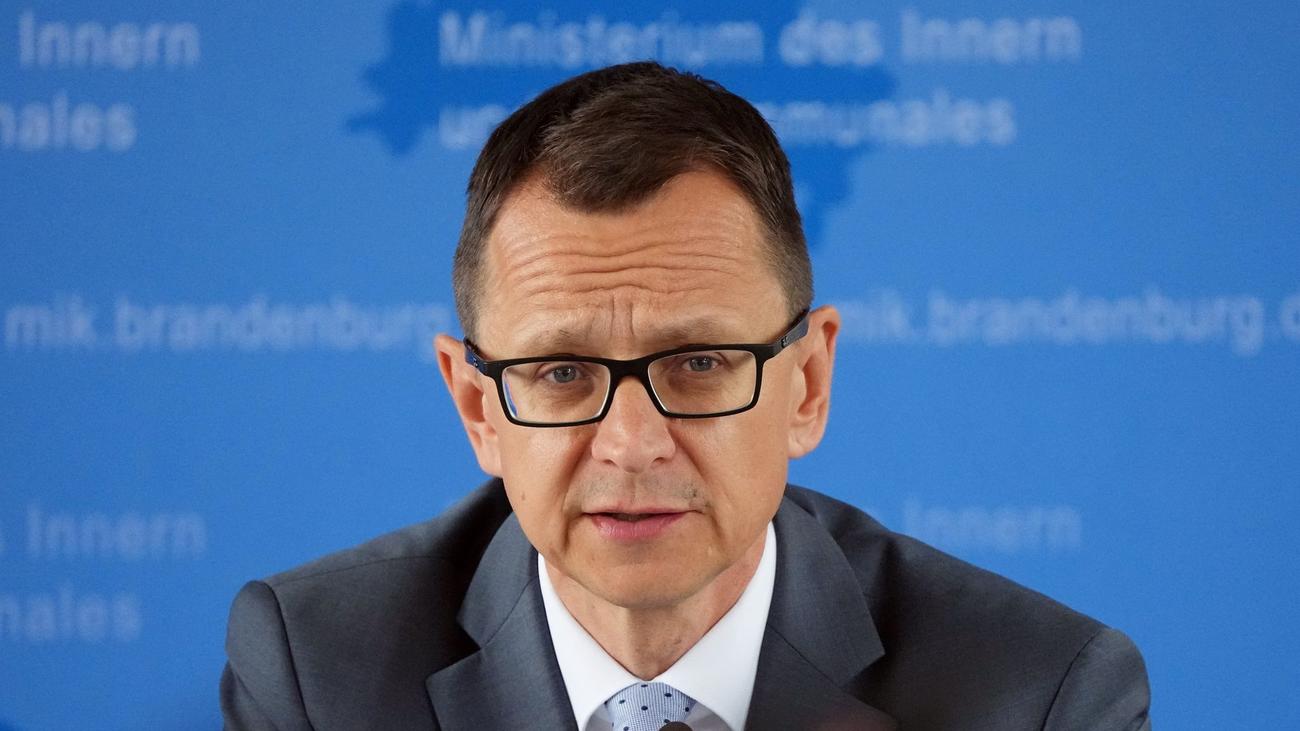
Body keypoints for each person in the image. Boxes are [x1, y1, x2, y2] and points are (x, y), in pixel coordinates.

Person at [220, 61, 1151, 730]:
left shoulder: (1038, 695)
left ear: (807, 384)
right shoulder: (316, 673)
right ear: (478, 408)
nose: (632, 443)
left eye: (699, 362)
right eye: (561, 372)